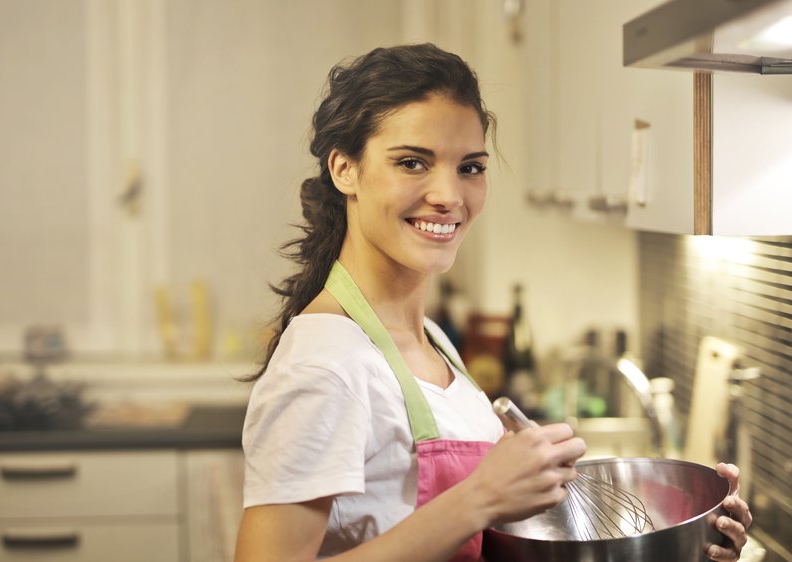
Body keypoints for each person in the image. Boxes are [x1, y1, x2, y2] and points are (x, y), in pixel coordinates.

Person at [234, 43, 753, 562]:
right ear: (345, 169)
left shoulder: (431, 341)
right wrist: (478, 498)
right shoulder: (324, 365)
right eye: (413, 162)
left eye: (470, 167)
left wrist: (682, 540)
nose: (448, 195)